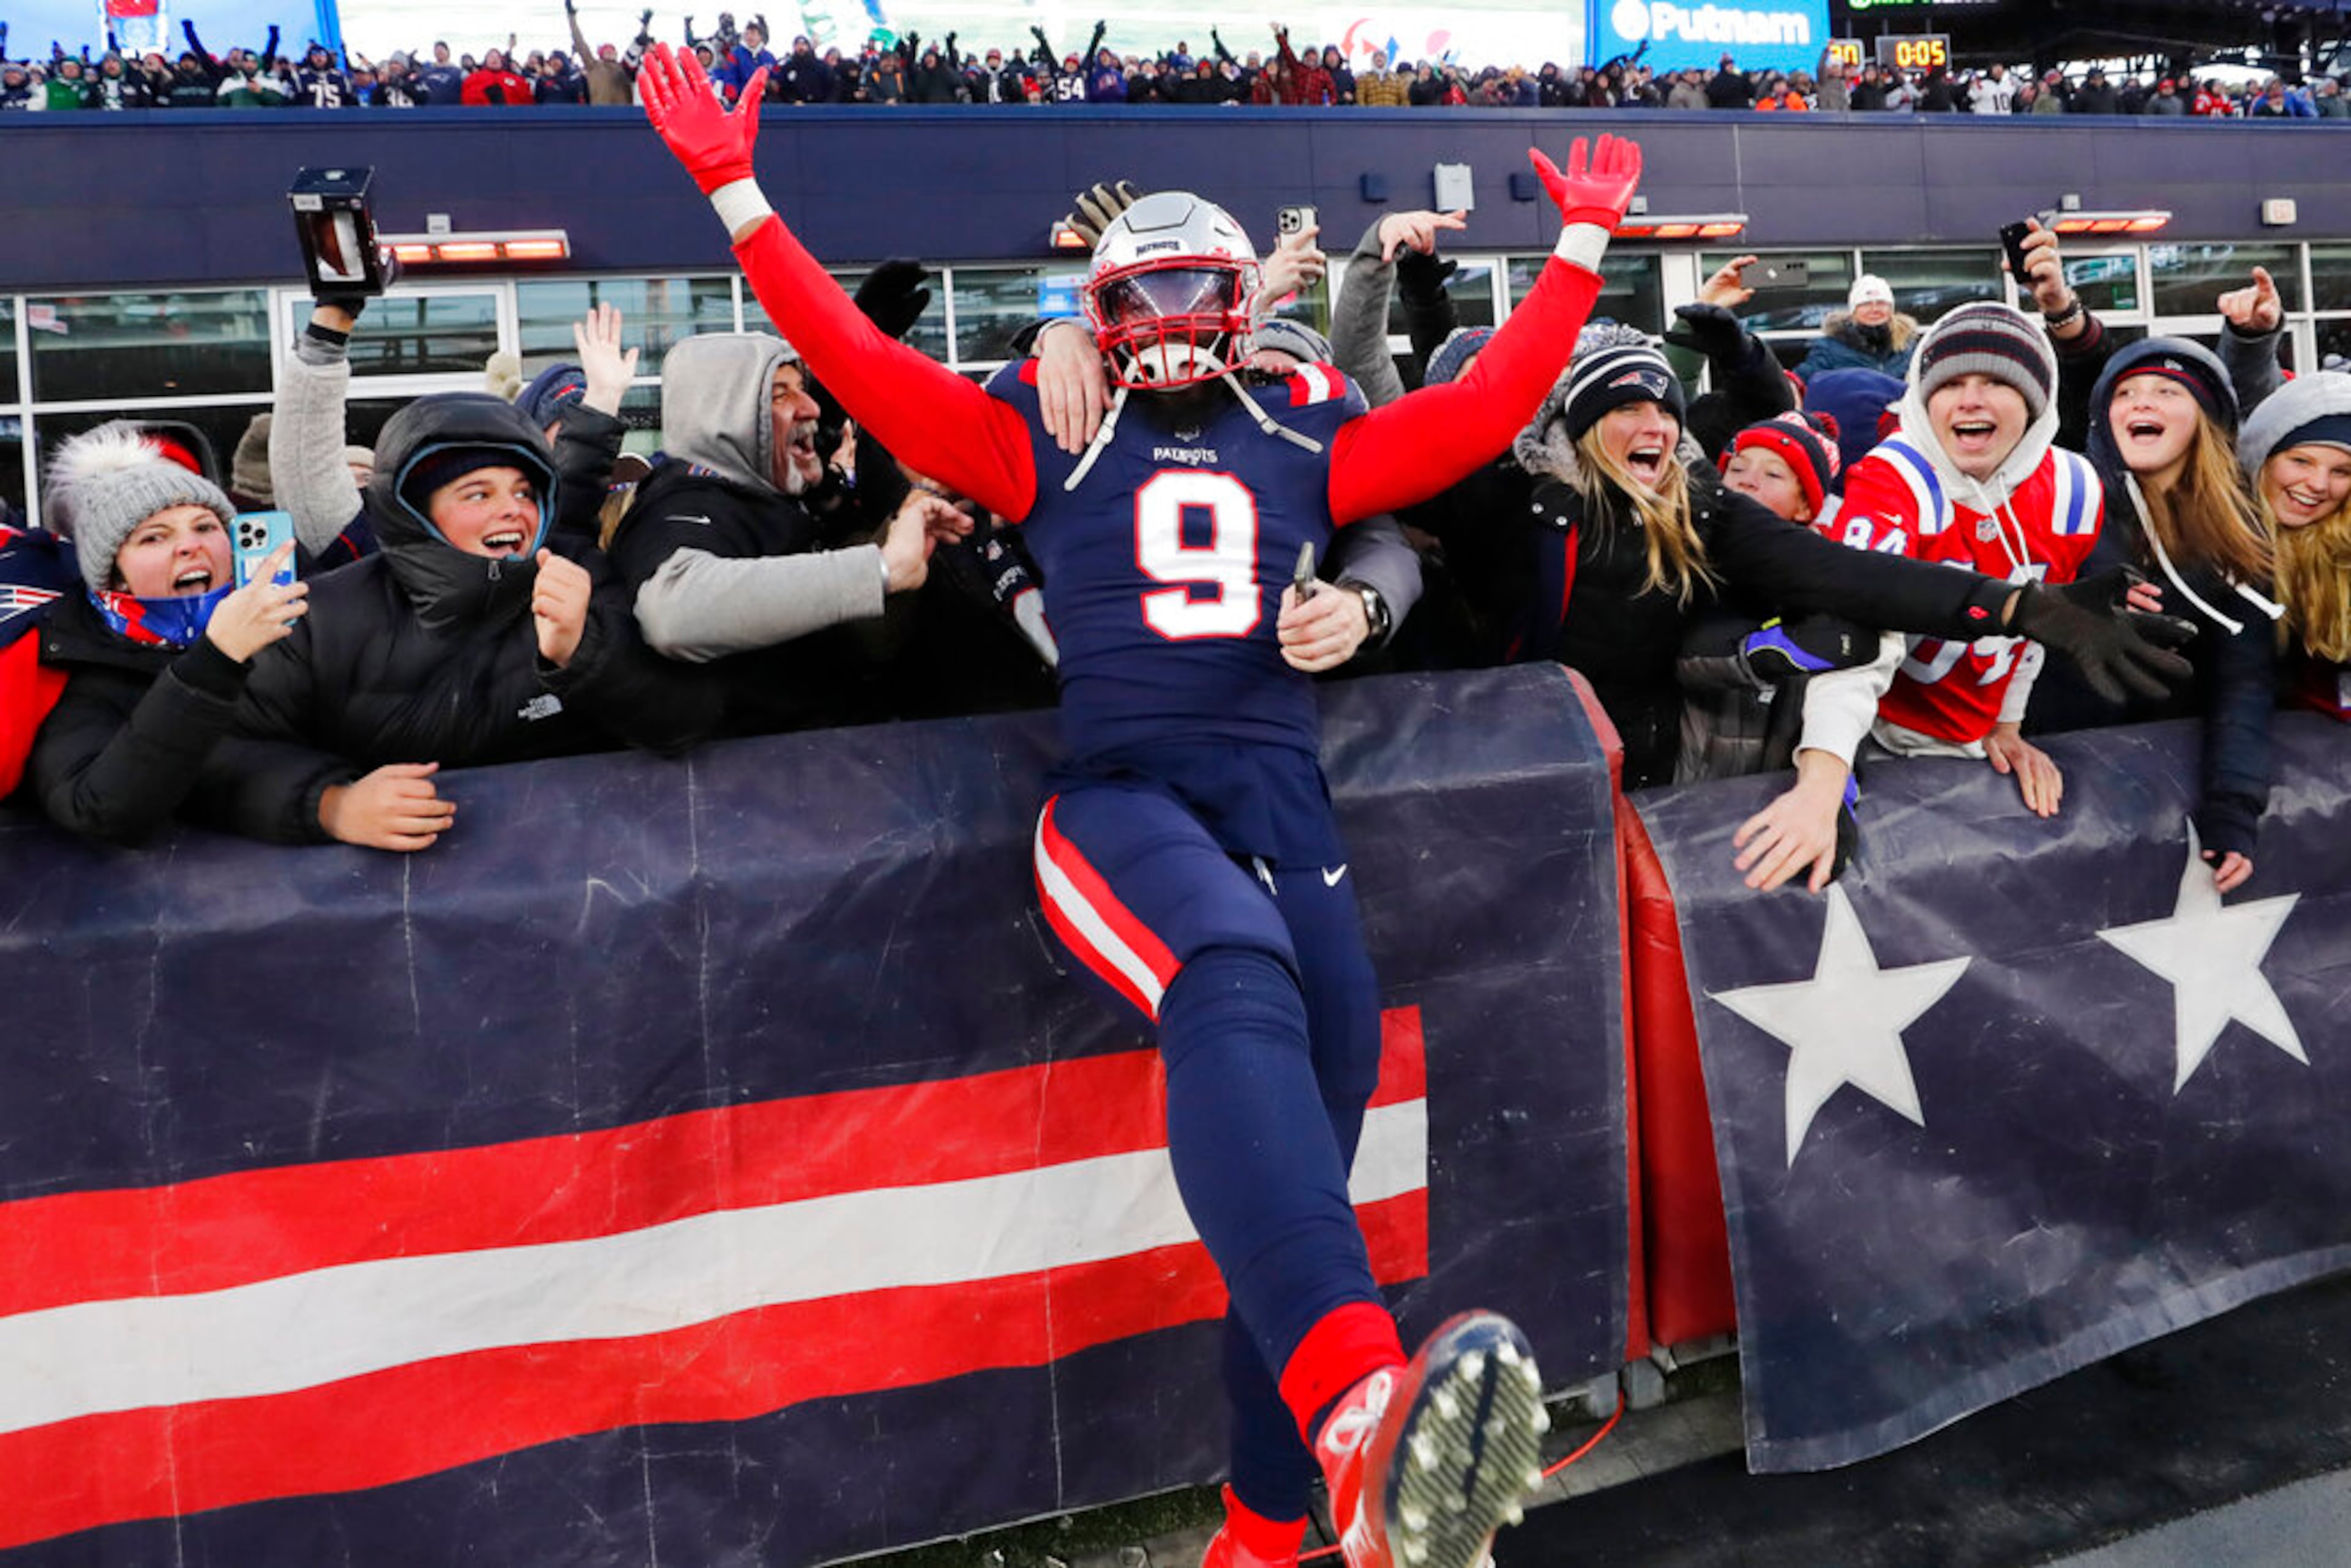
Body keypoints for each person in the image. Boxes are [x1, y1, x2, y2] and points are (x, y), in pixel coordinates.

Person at [639, 43, 1650, 1568]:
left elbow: (1482, 408)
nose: (1171, 328)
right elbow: (853, 359)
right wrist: (736, 193)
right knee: (1228, 977)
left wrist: (1575, 252)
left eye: (1197, 297)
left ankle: (1264, 1528)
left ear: (1243, 304)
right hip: (1119, 804)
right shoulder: (1045, 424)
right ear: (1096, 314)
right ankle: (1364, 1413)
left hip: (1285, 818)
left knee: (1294, 1188)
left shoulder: (1309, 427)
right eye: (1140, 300)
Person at [607, 332, 973, 733]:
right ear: (723, 412)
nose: (810, 407)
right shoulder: (682, 504)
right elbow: (671, 613)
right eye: (780, 394)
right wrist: (880, 569)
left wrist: (906, 523)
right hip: (765, 779)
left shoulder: (769, 493)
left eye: (803, 388)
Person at [23, 426, 326, 844]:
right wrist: (218, 658)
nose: (189, 547)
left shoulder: (303, 615)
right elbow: (96, 807)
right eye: (154, 537)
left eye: (204, 527)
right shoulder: (84, 666)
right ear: (116, 575)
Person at [1795, 274, 1918, 381]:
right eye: (1866, 304)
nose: (1874, 310)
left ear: (1891, 309)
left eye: (1881, 303)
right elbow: (1802, 382)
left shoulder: (1909, 348)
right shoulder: (1829, 348)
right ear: (1853, 311)